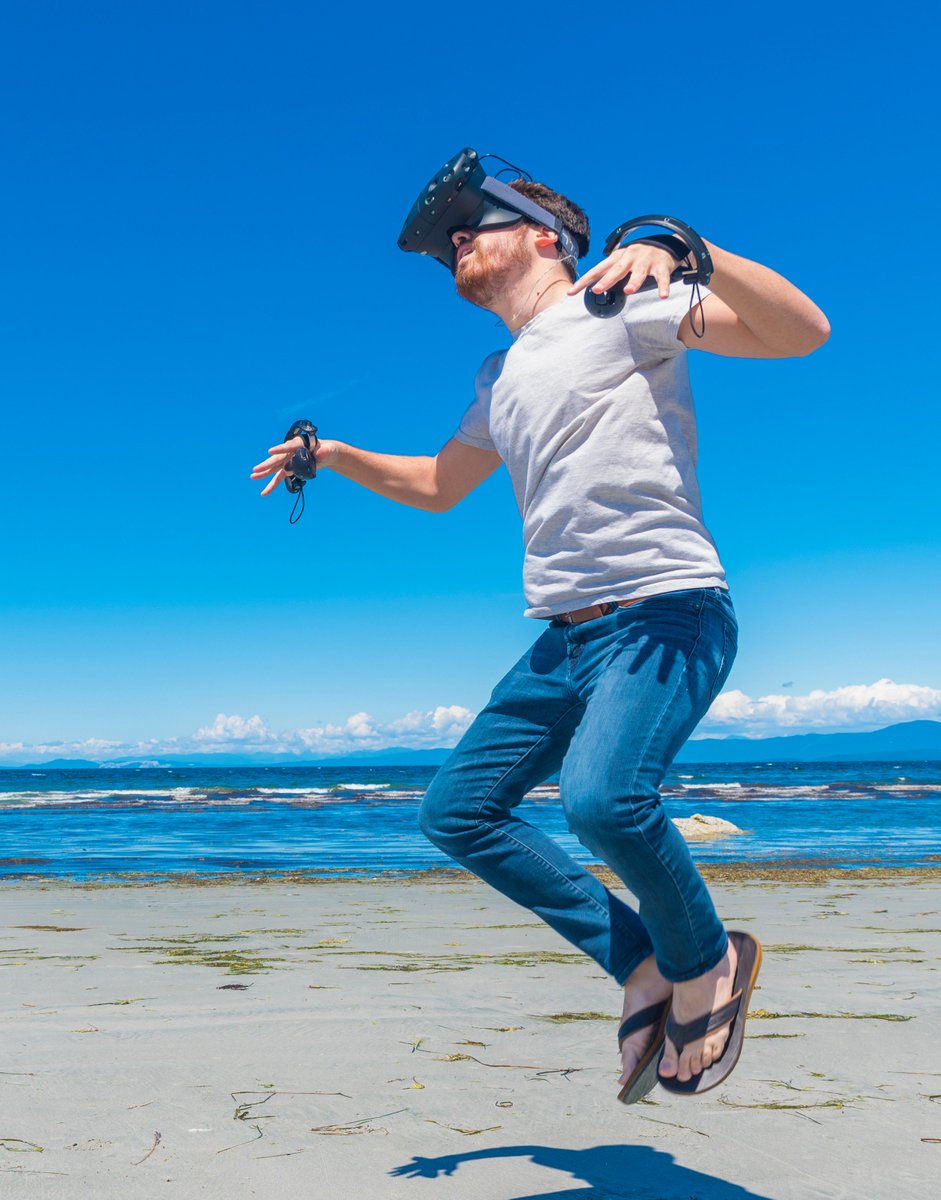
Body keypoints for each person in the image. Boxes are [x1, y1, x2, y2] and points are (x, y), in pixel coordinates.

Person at [250, 170, 830, 1102]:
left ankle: (707, 961)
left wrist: (685, 246)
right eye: (446, 243)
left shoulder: (624, 303)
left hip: (662, 609)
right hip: (562, 640)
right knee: (457, 812)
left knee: (604, 800)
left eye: (469, 227)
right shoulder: (498, 375)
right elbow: (438, 485)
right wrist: (337, 455)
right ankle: (642, 962)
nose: (455, 246)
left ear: (543, 235)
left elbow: (801, 333)